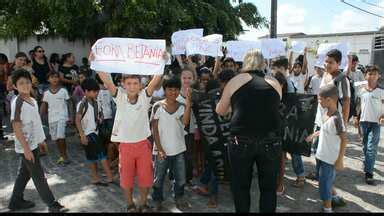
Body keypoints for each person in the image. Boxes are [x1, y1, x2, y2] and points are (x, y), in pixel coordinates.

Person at [95, 52, 167, 213]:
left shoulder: (144, 96)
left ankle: (142, 203)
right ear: (123, 85)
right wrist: (97, 63)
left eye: (136, 83)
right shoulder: (119, 96)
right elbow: (106, 80)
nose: (133, 86)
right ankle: (130, 204)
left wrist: (162, 61)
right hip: (126, 147)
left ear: (140, 85)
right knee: (126, 179)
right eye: (129, 83)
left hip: (143, 145)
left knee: (146, 178)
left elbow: (155, 80)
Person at [216, 49, 282, 213]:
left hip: (241, 140)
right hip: (270, 141)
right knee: (268, 188)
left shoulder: (235, 81)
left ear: (246, 62)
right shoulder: (274, 82)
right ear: (263, 63)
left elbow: (220, 111)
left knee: (240, 187)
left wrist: (235, 105)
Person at [8, 69, 67, 213]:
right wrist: (26, 149)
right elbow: (16, 126)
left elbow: (36, 123)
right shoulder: (18, 103)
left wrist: (41, 141)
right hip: (26, 146)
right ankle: (52, 204)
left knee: (24, 173)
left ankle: (15, 201)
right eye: (21, 83)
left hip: (34, 143)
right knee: (38, 175)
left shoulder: (33, 100)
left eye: (27, 82)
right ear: (15, 86)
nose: (25, 85)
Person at [308, 49, 350, 208]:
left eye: (331, 62)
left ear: (339, 63)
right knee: (318, 157)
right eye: (326, 61)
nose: (327, 65)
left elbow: (346, 103)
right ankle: (332, 193)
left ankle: (330, 197)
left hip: (334, 124)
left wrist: (343, 125)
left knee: (327, 160)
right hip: (321, 122)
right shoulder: (324, 75)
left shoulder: (342, 79)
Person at [193, 69, 236, 208]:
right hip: (214, 139)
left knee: (219, 165)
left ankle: (205, 185)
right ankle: (213, 195)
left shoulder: (237, 95)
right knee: (214, 164)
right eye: (226, 83)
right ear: (222, 83)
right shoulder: (212, 96)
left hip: (230, 139)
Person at [151, 75, 192, 211]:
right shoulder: (157, 106)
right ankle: (157, 199)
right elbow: (155, 130)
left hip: (179, 149)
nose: (173, 92)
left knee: (180, 178)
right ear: (164, 90)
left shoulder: (181, 107)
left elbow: (185, 122)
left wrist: (189, 104)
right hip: (161, 151)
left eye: (176, 90)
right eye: (170, 89)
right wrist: (160, 149)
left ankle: (179, 197)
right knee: (159, 178)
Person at [306, 84, 347, 213]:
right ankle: (336, 197)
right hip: (321, 155)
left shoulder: (336, 120)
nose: (318, 101)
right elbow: (324, 130)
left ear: (329, 100)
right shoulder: (326, 113)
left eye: (320, 99)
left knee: (323, 184)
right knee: (324, 179)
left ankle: (327, 209)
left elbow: (344, 139)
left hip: (329, 159)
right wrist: (314, 135)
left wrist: (340, 160)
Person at [271, 57, 306, 194]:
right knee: (286, 151)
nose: (276, 71)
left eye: (278, 68)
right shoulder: (276, 80)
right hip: (281, 122)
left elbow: (290, 103)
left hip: (288, 122)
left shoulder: (288, 83)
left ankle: (300, 175)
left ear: (285, 69)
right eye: (274, 68)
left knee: (293, 149)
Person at [75, 78, 114, 186]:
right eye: (94, 91)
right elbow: (77, 120)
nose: (96, 93)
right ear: (86, 91)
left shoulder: (96, 102)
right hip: (88, 133)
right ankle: (109, 176)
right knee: (101, 155)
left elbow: (98, 116)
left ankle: (95, 178)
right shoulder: (82, 104)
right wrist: (82, 135)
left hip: (95, 131)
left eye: (97, 91)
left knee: (91, 157)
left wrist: (99, 118)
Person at [355, 65, 384, 185]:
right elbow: (358, 105)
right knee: (365, 146)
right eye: (369, 74)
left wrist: (383, 116)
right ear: (365, 75)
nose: (372, 76)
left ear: (379, 76)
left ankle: (369, 173)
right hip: (363, 122)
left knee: (372, 148)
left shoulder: (382, 91)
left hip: (376, 123)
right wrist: (356, 118)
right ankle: (367, 162)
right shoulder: (361, 90)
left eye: (374, 74)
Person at [40, 71, 73, 165]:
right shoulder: (46, 93)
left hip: (62, 117)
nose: (54, 79)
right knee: (56, 139)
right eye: (52, 77)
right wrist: (39, 116)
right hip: (52, 118)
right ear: (48, 79)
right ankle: (62, 156)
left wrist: (71, 116)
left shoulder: (63, 91)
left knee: (61, 136)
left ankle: (65, 156)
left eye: (56, 77)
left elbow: (70, 102)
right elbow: (44, 105)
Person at [177, 67, 198, 187]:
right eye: (184, 78)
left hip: (190, 128)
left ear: (193, 79)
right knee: (177, 153)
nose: (187, 80)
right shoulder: (174, 94)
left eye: (189, 78)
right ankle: (175, 176)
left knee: (188, 154)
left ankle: (187, 177)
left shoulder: (196, 94)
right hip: (177, 128)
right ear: (180, 79)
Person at [95, 74, 118, 171]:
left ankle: (112, 160)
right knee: (105, 141)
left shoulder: (111, 90)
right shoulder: (97, 91)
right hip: (102, 119)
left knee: (111, 140)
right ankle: (108, 161)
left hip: (110, 118)